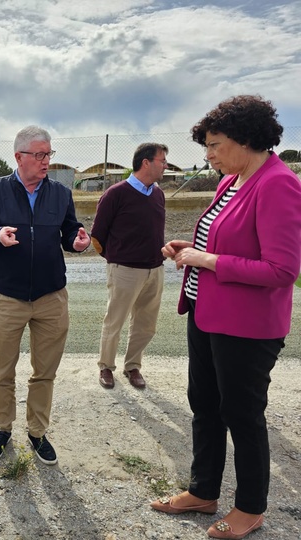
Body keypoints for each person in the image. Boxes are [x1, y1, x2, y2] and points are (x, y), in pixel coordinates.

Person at [151, 95, 301, 539]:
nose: (209, 155)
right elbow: (226, 242)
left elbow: (283, 270)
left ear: (246, 138)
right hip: (207, 314)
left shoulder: (278, 183)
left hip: (246, 327)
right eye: (207, 147)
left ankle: (251, 507)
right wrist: (189, 250)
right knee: (206, 406)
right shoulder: (231, 181)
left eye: (215, 145)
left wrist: (209, 259)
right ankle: (203, 491)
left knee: (242, 413)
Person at [0, 125, 90, 465]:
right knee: (3, 370)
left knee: (44, 371)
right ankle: (2, 429)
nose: (46, 161)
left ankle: (37, 432)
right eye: (39, 155)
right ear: (19, 157)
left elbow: (69, 232)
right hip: (9, 296)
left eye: (49, 154)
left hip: (51, 297)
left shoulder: (60, 194)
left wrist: (76, 243)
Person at [91, 143, 168, 389]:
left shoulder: (158, 193)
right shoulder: (116, 193)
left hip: (155, 270)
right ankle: (106, 367)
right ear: (146, 162)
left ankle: (133, 366)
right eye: (162, 161)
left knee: (146, 324)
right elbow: (97, 237)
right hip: (124, 270)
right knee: (115, 320)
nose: (165, 165)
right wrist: (116, 261)